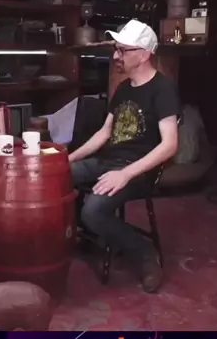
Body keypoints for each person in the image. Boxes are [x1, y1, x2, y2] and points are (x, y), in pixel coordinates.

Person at [69, 19, 180, 293]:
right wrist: (68, 159)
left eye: (122, 50)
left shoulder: (163, 89)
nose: (116, 56)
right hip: (108, 162)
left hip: (139, 171)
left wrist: (125, 174)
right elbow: (104, 133)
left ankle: (145, 254)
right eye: (116, 49)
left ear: (143, 54)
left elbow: (169, 145)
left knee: (93, 211)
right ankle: (87, 234)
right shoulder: (124, 88)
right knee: (56, 175)